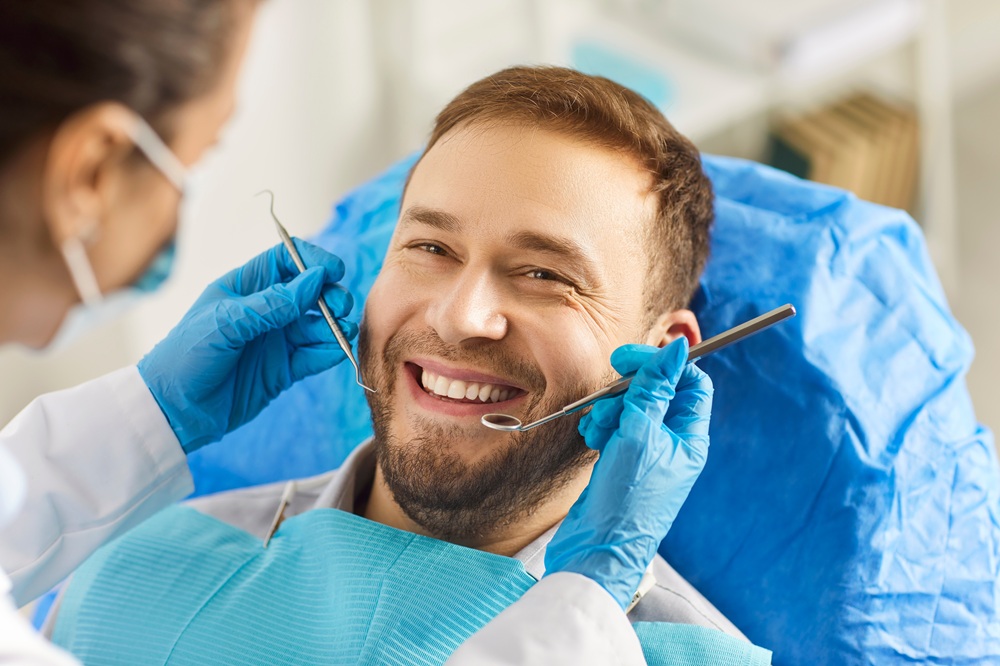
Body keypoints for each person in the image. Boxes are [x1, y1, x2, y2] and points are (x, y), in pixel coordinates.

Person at [0, 4, 725, 666]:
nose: (456, 317)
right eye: (431, 248)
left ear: (668, 355)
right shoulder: (132, 566)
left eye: (545, 274)